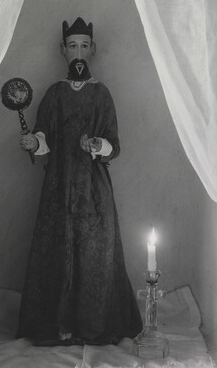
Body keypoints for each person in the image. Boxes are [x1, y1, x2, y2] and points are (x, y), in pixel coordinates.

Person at [16, 17, 143, 346]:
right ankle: (59, 324)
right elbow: (43, 135)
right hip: (59, 185)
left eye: (84, 46)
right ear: (63, 50)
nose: (78, 53)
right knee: (59, 248)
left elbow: (114, 144)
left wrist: (98, 145)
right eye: (72, 46)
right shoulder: (54, 94)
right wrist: (34, 142)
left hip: (93, 189)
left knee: (95, 252)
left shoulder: (102, 95)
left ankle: (93, 323)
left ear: (93, 49)